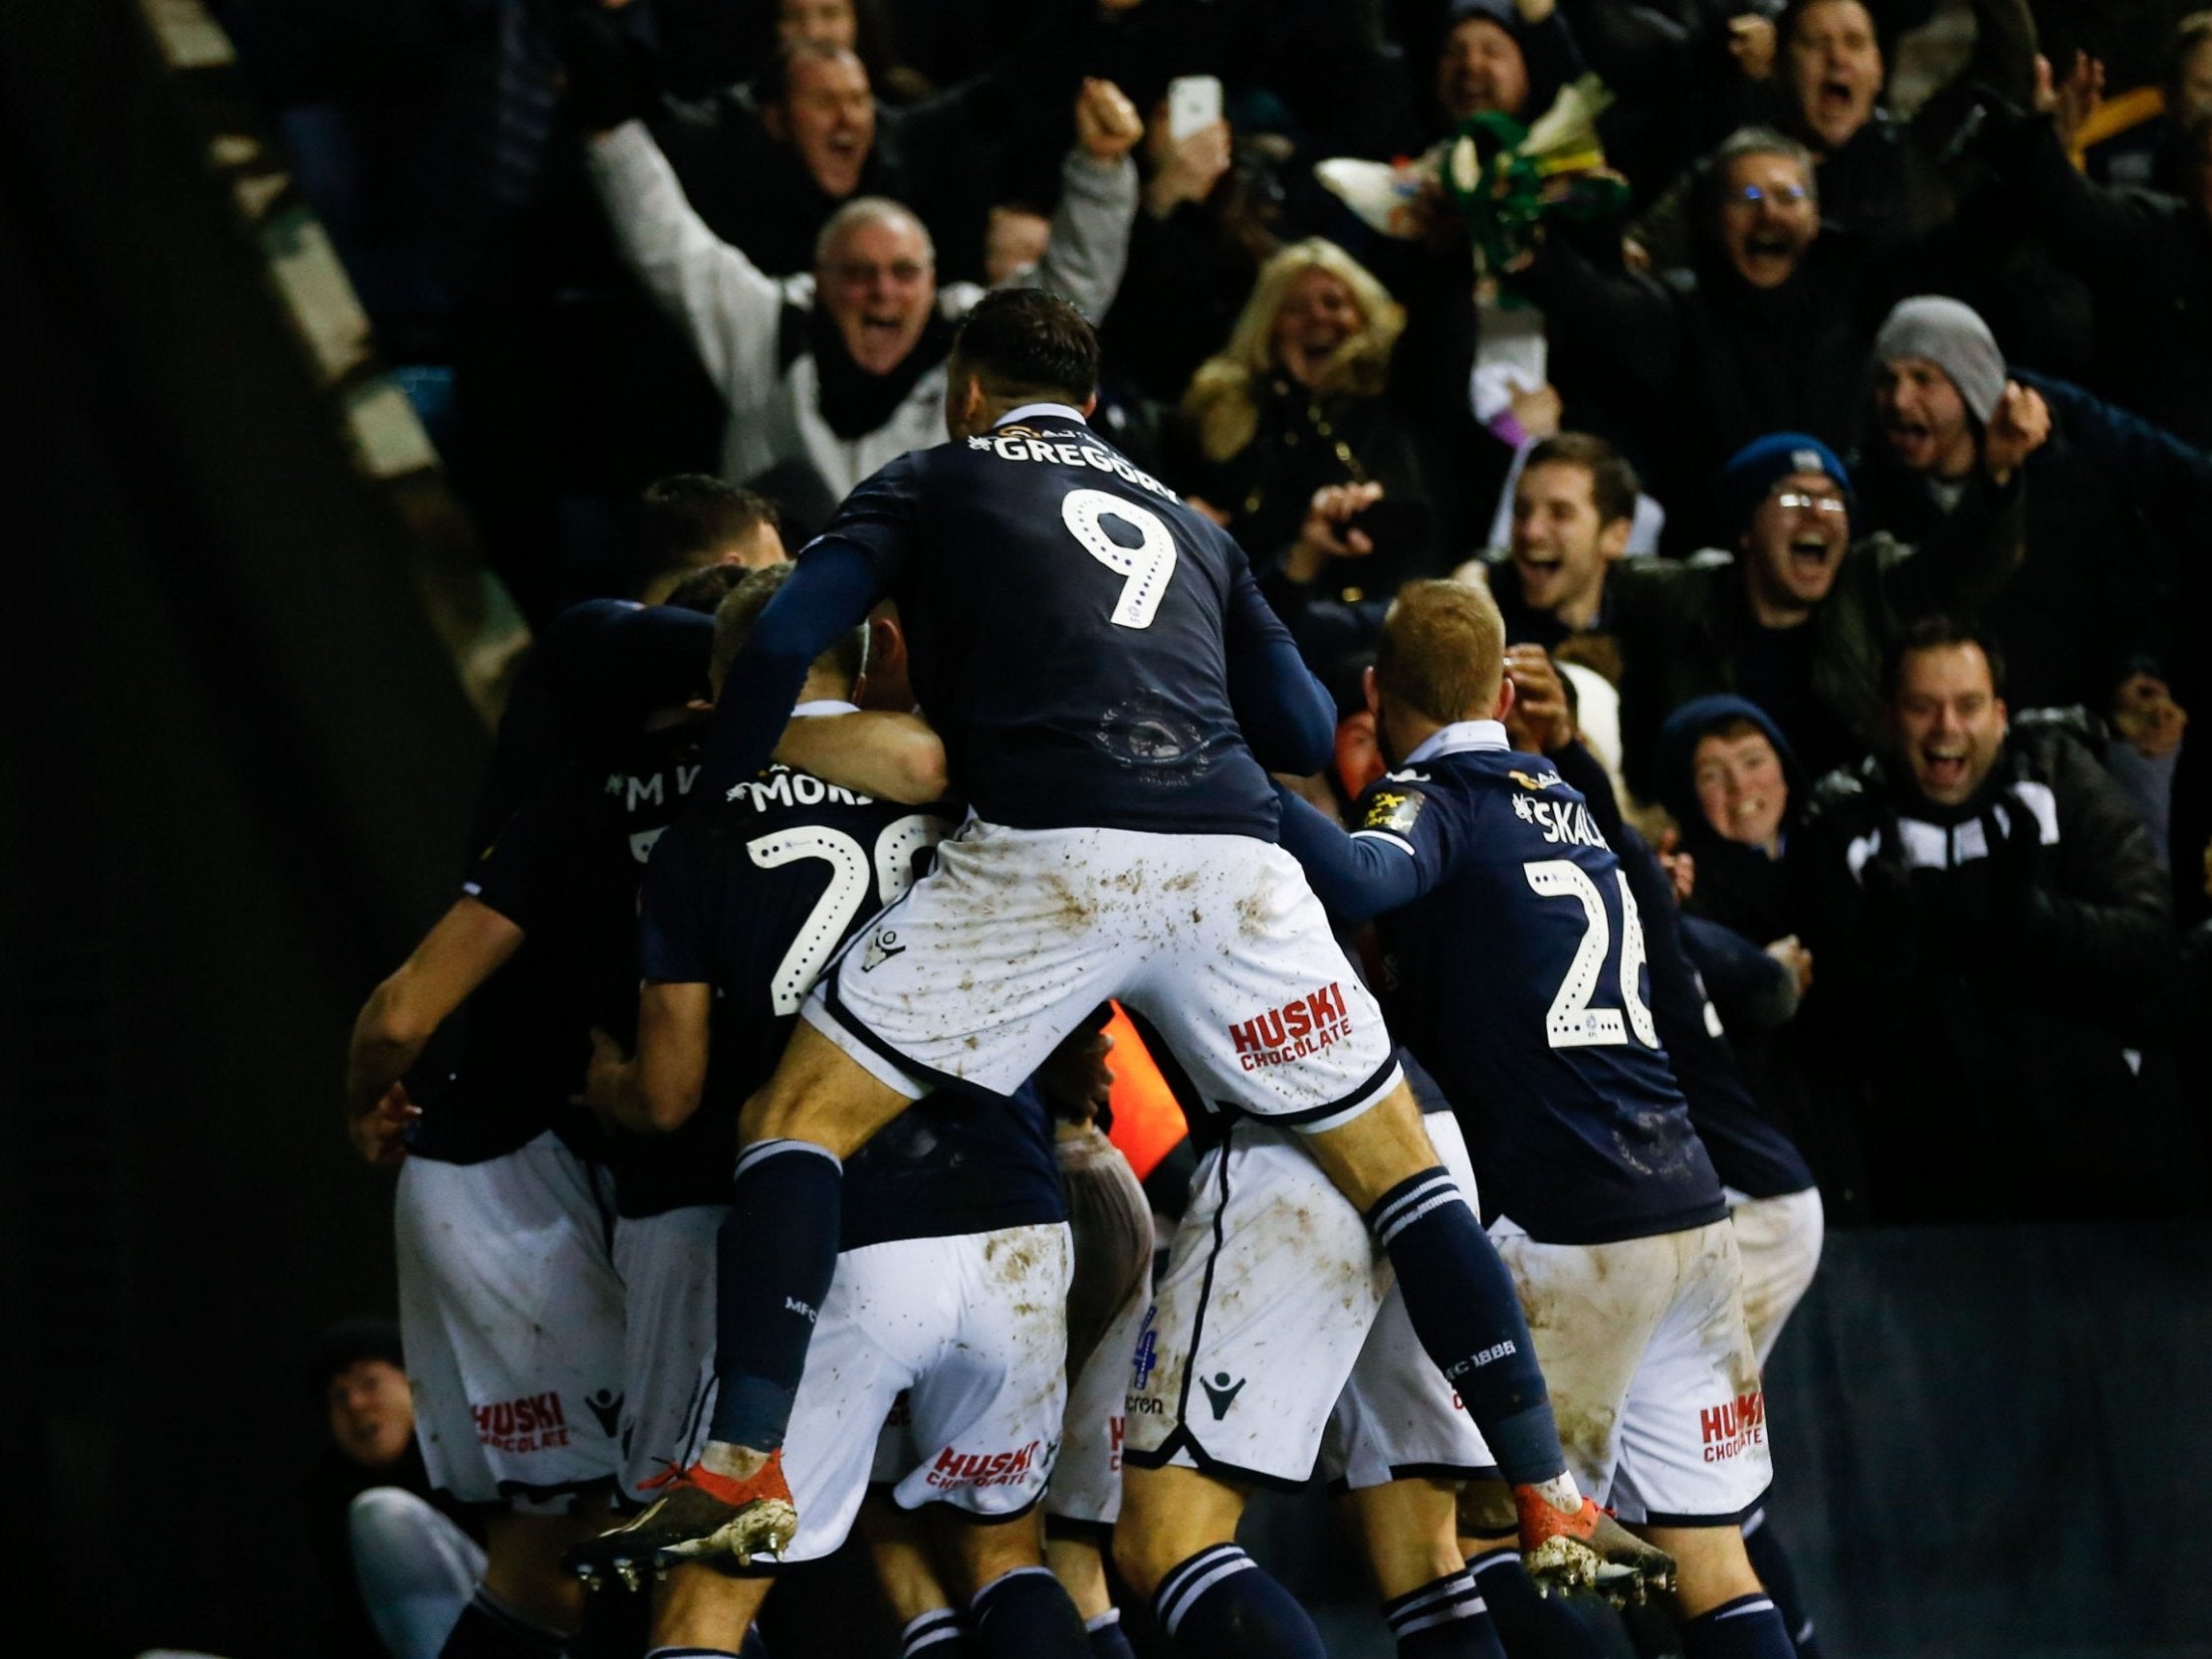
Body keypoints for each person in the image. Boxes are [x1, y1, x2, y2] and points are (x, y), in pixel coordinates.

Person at [581, 288, 1659, 1654]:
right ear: (1087, 402)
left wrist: (722, 786)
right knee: (1404, 1178)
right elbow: (1289, 717)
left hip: (1051, 850)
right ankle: (1548, 1490)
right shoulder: (1184, 520)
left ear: (967, 392)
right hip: (1226, 856)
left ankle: (739, 1456)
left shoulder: (935, 475)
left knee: (793, 1121)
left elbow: (789, 636)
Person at [1270, 580, 1798, 1659]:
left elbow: (1366, 879)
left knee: (1462, 1527)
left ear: (1374, 690)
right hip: (1688, 1210)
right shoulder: (1560, 789)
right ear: (1504, 690)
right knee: (1705, 1555)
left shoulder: (1436, 796)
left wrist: (1229, 777)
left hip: (1564, 1223)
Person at [574, 565, 1090, 1656]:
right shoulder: (957, 779)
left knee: (708, 1592)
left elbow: (666, 1097)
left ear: (724, 687)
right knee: (1005, 1555)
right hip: (1015, 1216)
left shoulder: (695, 831)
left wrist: (602, 1080)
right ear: (864, 661)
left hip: (840, 1241)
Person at [582, 76, 1141, 535]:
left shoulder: (973, 332)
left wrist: (1100, 168)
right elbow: (666, 244)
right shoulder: (769, 324)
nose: (882, 292)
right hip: (776, 603)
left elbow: (1072, 289)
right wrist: (611, 132)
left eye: (903, 273)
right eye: (857, 273)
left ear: (931, 279)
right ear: (820, 280)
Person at [1790, 616, 2204, 1221]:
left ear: (2001, 714)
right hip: (1930, 1186)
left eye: (1968, 705)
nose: (1947, 728)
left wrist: (2041, 924)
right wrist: (1886, 953)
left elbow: (2152, 945)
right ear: (1887, 718)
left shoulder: (2057, 778)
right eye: (1922, 707)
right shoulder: (1843, 817)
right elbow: (1833, 1038)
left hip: (2098, 1167)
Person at [1607, 421, 2040, 800]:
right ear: (1746, 529)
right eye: (1794, 500)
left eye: (1833, 501)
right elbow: (1597, 580)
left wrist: (1997, 477)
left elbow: (1969, 563)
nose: (1818, 515)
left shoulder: (1870, 581)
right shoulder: (1687, 595)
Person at [1855, 294, 2175, 730]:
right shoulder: (1865, 497)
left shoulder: (2068, 488)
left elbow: (2125, 608)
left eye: (1923, 379)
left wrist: (2131, 674)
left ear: (1972, 388)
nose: (1899, 400)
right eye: (1886, 380)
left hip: (2064, 738)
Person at [300, 1320, 485, 1659]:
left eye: (370, 1384)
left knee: (384, 1515)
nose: (354, 1404)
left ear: (413, 1384)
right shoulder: (326, 1497)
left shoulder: (472, 1450)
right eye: (338, 1397)